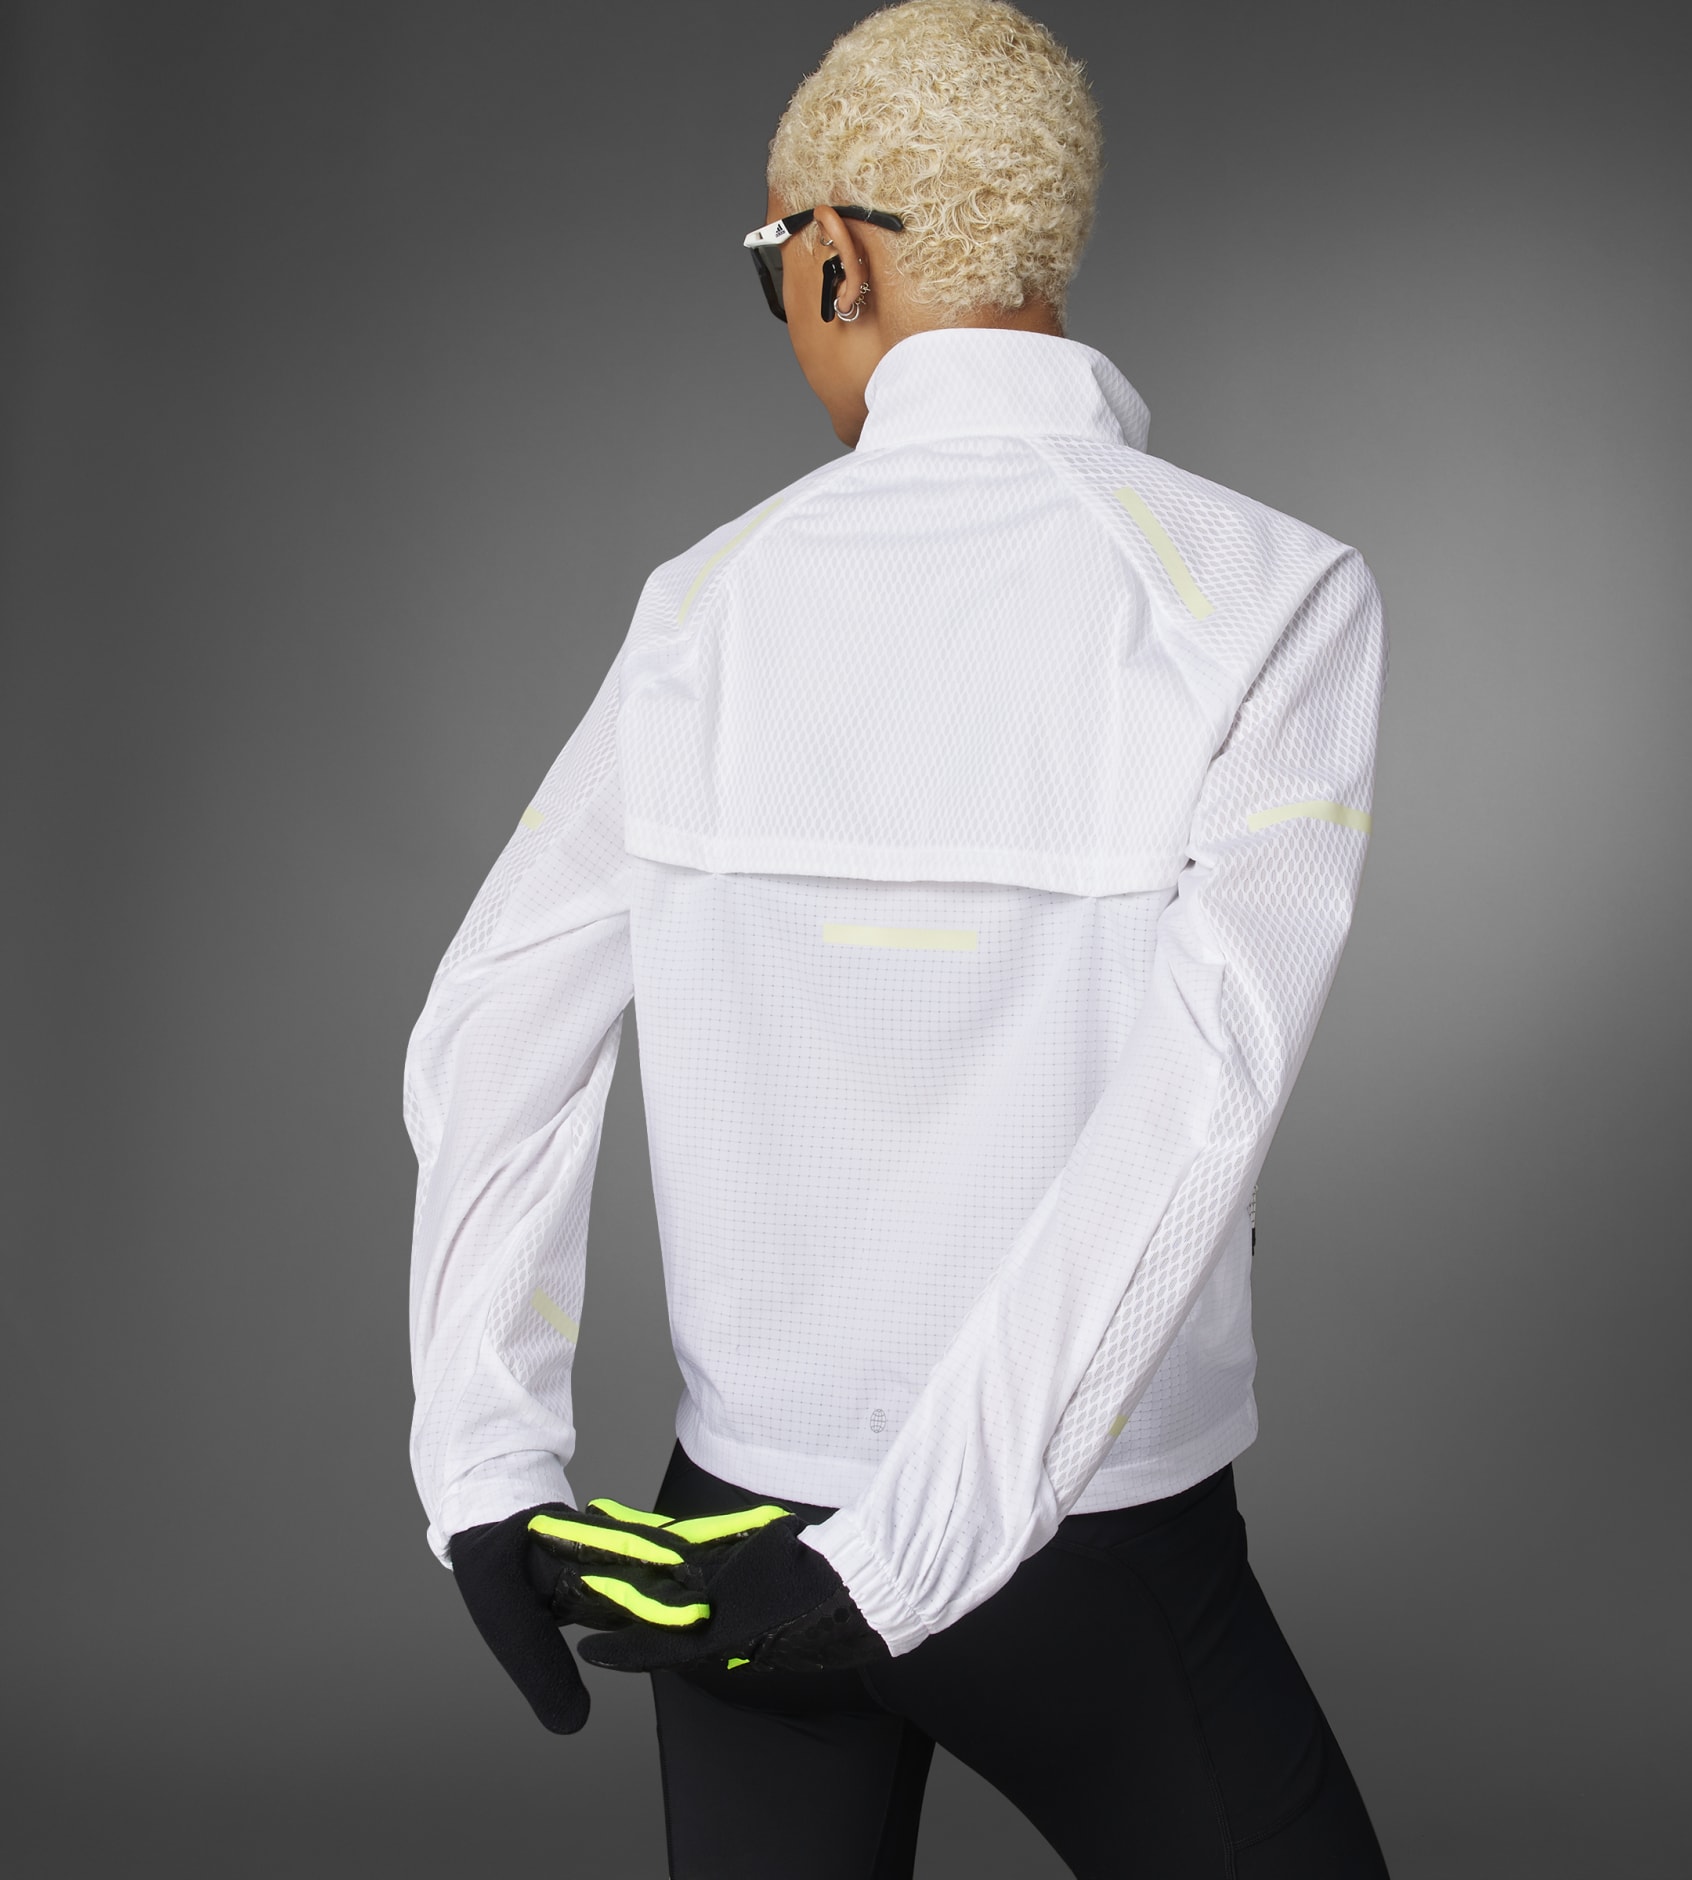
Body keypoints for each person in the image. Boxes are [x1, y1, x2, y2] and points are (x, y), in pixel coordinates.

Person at [405, 3, 1391, 1873]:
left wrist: (486, 1467)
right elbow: (1205, 1103)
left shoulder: (703, 606)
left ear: (833, 259)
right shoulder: (1268, 596)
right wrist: (908, 1559)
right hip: (1081, 1548)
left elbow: (497, 1022)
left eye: (771, 268)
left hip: (727, 1530)